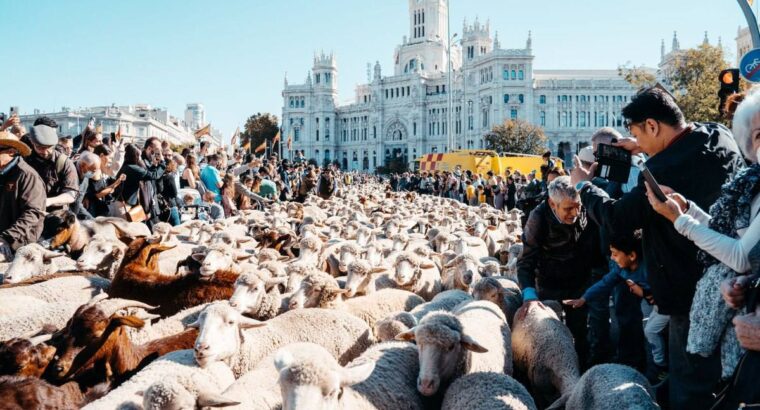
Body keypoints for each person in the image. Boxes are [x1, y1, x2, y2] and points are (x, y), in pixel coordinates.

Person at [570, 87, 744, 408]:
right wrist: (643, 144)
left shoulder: (661, 172)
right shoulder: (718, 134)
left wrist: (584, 185)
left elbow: (616, 218)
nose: (636, 141)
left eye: (636, 131)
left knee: (689, 385)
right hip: (732, 281)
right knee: (725, 378)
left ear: (652, 125)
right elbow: (694, 130)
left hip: (687, 292)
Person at [643, 87, 760, 382]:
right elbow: (740, 246)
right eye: (759, 134)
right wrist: (690, 211)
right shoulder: (751, 187)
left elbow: (740, 255)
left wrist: (680, 220)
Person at [517, 176, 599, 367]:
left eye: (577, 206)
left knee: (580, 333)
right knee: (549, 335)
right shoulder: (538, 218)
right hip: (549, 283)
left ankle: (581, 376)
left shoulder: (584, 209)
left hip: (580, 281)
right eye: (568, 209)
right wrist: (529, 294)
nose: (575, 213)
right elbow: (526, 259)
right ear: (552, 204)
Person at [564, 230, 666, 375]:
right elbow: (605, 283)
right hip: (658, 306)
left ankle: (661, 366)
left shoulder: (651, 269)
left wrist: (644, 293)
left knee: (652, 331)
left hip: (668, 305)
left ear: (632, 255)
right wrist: (584, 298)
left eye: (615, 254)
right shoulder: (621, 269)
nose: (612, 258)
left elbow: (664, 292)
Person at [0, 131, 46, 262]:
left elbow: (32, 213)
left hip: (19, 242)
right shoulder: (2, 172)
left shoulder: (26, 175)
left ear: (11, 152)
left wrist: (6, 238)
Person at [25, 124, 79, 212]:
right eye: (40, 148)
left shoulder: (63, 162)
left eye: (48, 147)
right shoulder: (25, 160)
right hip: (28, 213)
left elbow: (71, 194)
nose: (45, 152)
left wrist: (48, 201)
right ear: (32, 143)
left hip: (54, 215)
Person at [116, 143, 165, 225]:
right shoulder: (133, 168)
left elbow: (149, 174)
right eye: (138, 155)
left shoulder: (126, 166)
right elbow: (154, 175)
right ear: (133, 156)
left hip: (122, 204)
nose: (140, 158)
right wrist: (162, 163)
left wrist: (154, 166)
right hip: (125, 207)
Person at [87, 145, 126, 218]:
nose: (110, 161)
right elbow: (98, 194)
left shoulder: (98, 169)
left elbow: (101, 190)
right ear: (101, 155)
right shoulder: (96, 171)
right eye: (110, 158)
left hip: (97, 208)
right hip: (95, 210)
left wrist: (118, 181)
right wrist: (113, 187)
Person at [70, 152, 101, 220]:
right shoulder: (68, 172)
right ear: (83, 165)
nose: (93, 174)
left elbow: (78, 203)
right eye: (92, 171)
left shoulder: (85, 178)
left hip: (72, 216)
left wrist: (91, 220)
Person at [160, 159, 181, 226]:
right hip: (171, 205)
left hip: (161, 207)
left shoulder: (157, 177)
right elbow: (174, 193)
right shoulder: (169, 177)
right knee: (177, 230)